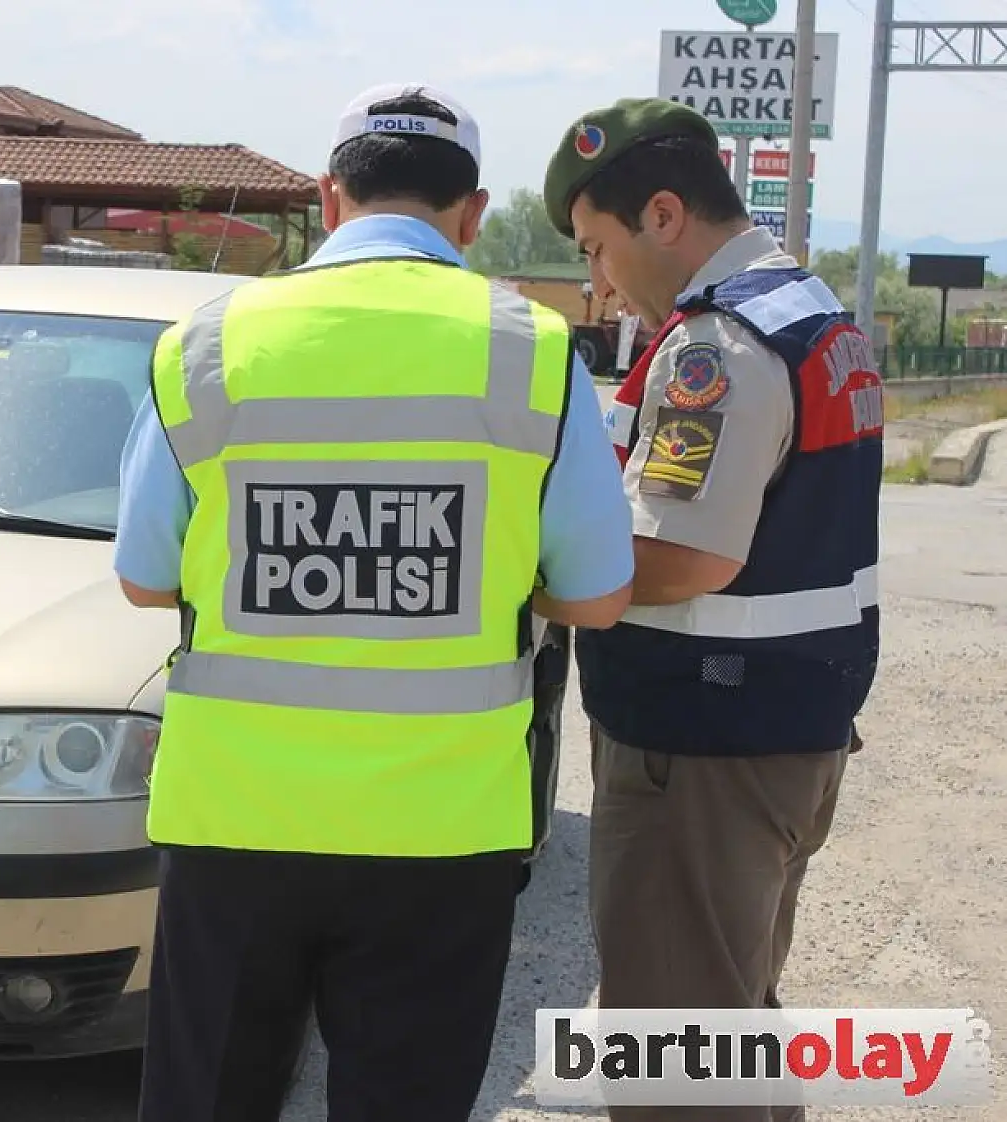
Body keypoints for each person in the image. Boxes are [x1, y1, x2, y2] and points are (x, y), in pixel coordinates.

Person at [113, 82, 635, 1122]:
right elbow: (599, 597)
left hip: (233, 820)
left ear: (327, 197)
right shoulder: (530, 352)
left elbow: (141, 577)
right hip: (440, 832)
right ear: (472, 213)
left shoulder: (205, 347)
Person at [541, 99, 884, 1121]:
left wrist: (540, 583)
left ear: (659, 215)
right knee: (727, 1036)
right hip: (776, 736)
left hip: (700, 752)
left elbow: (684, 555)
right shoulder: (810, 316)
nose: (597, 282)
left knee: (672, 1070)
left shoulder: (717, 346)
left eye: (597, 248)